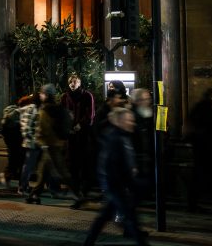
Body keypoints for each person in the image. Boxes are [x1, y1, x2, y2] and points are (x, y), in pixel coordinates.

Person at [85, 107, 149, 246]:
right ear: (120, 121)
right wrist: (131, 183)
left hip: (115, 185)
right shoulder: (116, 138)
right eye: (128, 120)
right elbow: (113, 166)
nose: (132, 123)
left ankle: (89, 242)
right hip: (115, 185)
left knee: (104, 217)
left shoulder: (121, 135)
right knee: (131, 218)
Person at [26, 83, 74, 205]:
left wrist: (39, 140)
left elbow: (42, 129)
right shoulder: (59, 108)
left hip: (50, 145)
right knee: (43, 171)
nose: (40, 96)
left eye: (42, 93)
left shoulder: (45, 110)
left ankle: (79, 195)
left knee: (62, 172)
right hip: (57, 144)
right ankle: (34, 194)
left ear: (46, 95)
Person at [60, 74, 95, 208]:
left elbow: (90, 114)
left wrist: (81, 124)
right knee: (72, 165)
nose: (72, 83)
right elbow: (62, 114)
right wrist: (68, 127)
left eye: (75, 81)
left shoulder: (87, 96)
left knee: (84, 164)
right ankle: (78, 194)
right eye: (70, 81)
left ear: (80, 83)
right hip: (71, 136)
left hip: (84, 135)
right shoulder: (65, 97)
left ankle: (82, 193)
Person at [130, 88, 155, 196]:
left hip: (148, 155)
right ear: (137, 101)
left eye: (148, 99)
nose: (147, 101)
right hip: (137, 156)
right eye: (143, 99)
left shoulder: (151, 114)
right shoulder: (130, 116)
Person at [19, 92, 41, 196]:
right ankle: (23, 187)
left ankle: (24, 187)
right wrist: (33, 138)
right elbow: (27, 128)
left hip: (34, 143)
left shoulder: (36, 108)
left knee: (30, 166)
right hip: (32, 143)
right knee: (28, 166)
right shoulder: (32, 108)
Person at [0, 96, 24, 190]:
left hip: (12, 143)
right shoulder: (17, 116)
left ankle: (7, 177)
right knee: (16, 163)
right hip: (17, 143)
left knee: (13, 163)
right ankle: (8, 177)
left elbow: (4, 133)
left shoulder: (7, 119)